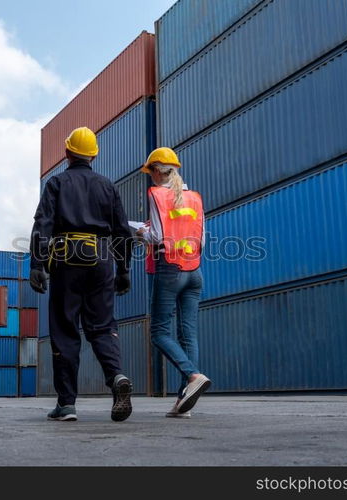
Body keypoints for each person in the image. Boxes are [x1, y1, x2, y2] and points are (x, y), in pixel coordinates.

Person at [29, 126, 134, 422]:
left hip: (66, 258)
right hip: (101, 259)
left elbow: (43, 225)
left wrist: (36, 265)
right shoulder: (107, 186)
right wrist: (124, 269)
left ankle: (67, 404)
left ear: (67, 152)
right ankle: (116, 377)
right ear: (94, 156)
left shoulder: (56, 183)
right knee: (101, 326)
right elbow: (122, 232)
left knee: (65, 329)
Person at [137, 147, 211, 418]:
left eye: (150, 172)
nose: (150, 178)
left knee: (159, 332)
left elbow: (157, 237)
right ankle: (184, 403)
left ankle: (193, 376)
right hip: (195, 272)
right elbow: (201, 240)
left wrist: (140, 231)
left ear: (157, 170)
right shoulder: (195, 198)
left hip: (170, 270)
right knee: (188, 334)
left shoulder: (157, 194)